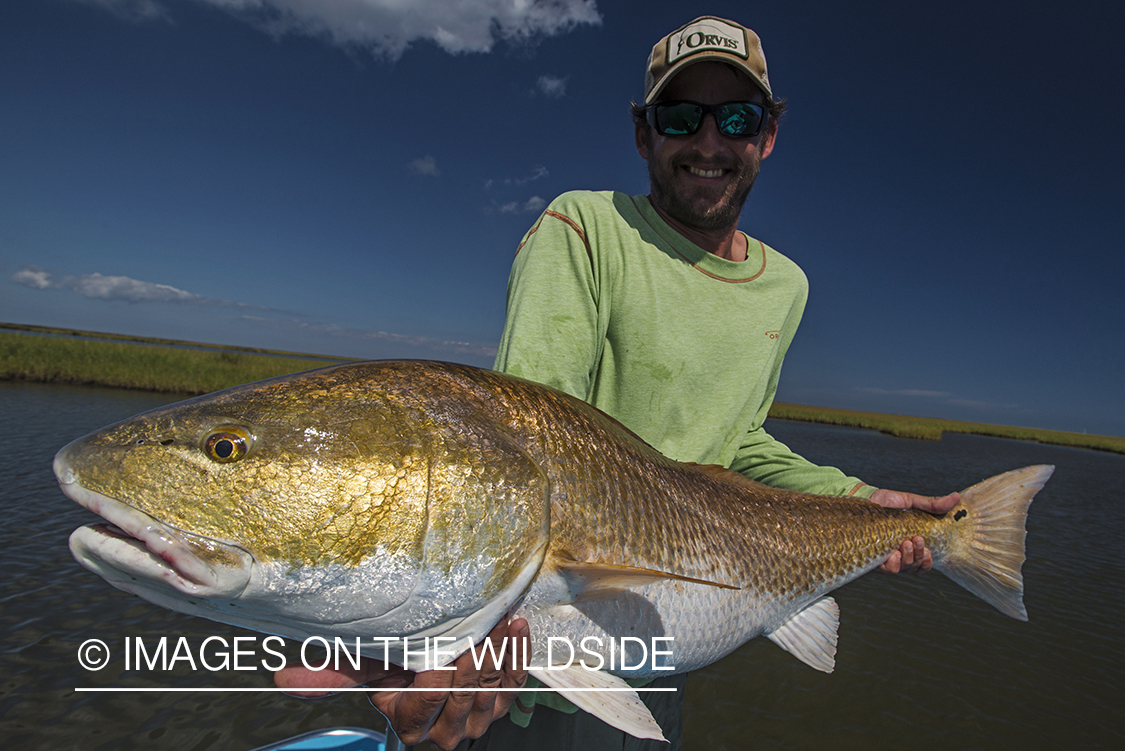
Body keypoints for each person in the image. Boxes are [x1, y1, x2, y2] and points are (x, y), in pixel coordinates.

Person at [275, 15, 958, 750]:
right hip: (534, 673)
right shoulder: (584, 227)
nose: (707, 143)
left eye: (736, 118)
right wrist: (445, 619)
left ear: (766, 135)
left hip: (668, 648)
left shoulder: (784, 286)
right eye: (678, 116)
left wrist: (858, 499)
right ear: (643, 135)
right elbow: (525, 437)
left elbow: (741, 439)